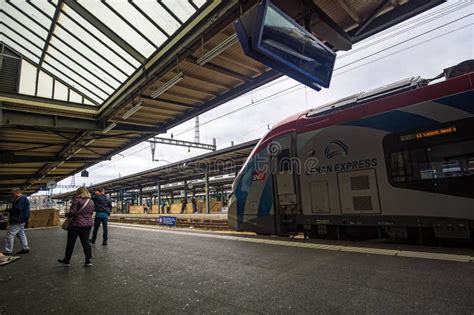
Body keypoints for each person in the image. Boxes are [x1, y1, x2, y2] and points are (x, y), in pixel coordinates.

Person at [58, 187, 94, 267]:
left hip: (76, 225)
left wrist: (66, 214)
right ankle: (88, 261)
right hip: (87, 224)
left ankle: (67, 260)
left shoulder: (77, 200)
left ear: (78, 193)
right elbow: (91, 213)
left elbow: (73, 213)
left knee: (71, 243)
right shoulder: (91, 201)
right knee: (86, 242)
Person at [3, 188, 30, 256]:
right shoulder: (20, 199)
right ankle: (25, 248)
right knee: (20, 233)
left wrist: (7, 209)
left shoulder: (22, 199)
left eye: (13, 194)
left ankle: (8, 251)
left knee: (10, 234)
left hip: (18, 220)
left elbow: (18, 208)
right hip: (21, 220)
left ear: (17, 192)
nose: (12, 195)